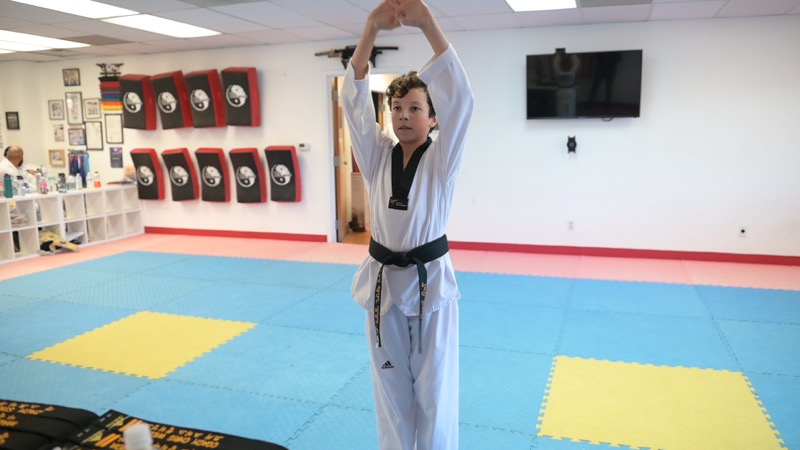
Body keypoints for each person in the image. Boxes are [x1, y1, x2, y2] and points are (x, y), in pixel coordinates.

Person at [341, 1, 474, 448]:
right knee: (391, 394)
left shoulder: (443, 158)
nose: (402, 115)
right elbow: (354, 104)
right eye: (396, 107)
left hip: (429, 285)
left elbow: (462, 101)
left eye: (414, 107)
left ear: (433, 118)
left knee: (435, 394)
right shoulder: (378, 154)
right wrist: (370, 28)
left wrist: (427, 24)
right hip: (383, 285)